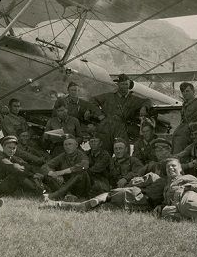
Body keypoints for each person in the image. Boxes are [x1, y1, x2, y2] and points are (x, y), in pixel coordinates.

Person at [40, 137, 173, 213]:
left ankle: (56, 203)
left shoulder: (135, 161)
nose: (118, 151)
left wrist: (125, 178)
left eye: (121, 148)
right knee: (94, 206)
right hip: (123, 192)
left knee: (94, 206)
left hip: (135, 195)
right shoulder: (112, 161)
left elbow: (138, 173)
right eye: (116, 149)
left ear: (127, 149)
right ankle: (56, 204)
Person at [93, 74, 151, 152]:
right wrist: (100, 115)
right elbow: (92, 101)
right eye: (122, 84)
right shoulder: (108, 96)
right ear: (118, 85)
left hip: (122, 129)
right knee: (104, 153)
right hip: (106, 129)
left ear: (129, 85)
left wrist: (144, 107)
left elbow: (147, 101)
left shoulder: (133, 99)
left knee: (123, 153)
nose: (124, 87)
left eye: (126, 84)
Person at [41, 135, 90, 200]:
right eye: (65, 145)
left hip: (80, 187)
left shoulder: (82, 155)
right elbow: (45, 166)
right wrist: (53, 174)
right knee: (48, 175)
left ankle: (56, 194)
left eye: (70, 144)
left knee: (80, 173)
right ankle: (68, 195)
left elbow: (84, 166)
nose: (67, 147)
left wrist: (61, 172)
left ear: (76, 145)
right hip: (67, 186)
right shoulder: (63, 155)